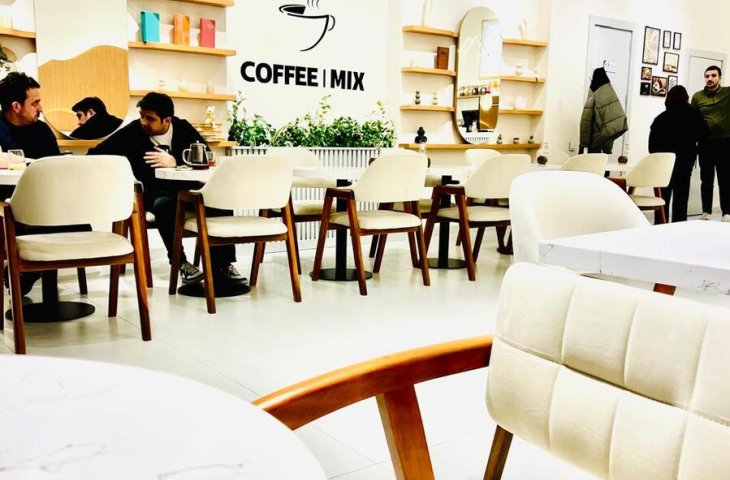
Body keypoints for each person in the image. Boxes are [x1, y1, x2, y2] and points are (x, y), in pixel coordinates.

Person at [88, 92, 243, 286]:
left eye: (150, 118)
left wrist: (175, 161)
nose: (143, 122)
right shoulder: (133, 132)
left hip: (187, 190)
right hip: (153, 192)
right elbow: (96, 153)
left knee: (219, 200)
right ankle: (181, 264)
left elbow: (207, 156)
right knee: (164, 205)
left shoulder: (183, 128)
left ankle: (223, 265)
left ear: (167, 120)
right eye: (141, 116)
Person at [649, 85, 708, 222]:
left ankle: (660, 224)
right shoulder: (694, 115)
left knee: (662, 198)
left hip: (663, 163)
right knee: (681, 198)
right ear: (686, 98)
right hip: (685, 162)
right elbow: (705, 135)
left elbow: (652, 146)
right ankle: (679, 225)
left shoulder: (661, 118)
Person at [691, 65, 730, 221]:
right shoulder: (697, 97)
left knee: (725, 179)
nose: (710, 78)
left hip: (725, 142)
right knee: (706, 179)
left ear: (720, 77)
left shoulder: (728, 93)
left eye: (713, 75)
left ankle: (727, 212)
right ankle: (706, 211)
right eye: (707, 76)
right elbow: (693, 120)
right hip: (705, 144)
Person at [579, 67, 628, 154]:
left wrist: (583, 145)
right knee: (603, 162)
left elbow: (585, 122)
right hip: (605, 142)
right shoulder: (610, 93)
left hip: (595, 143)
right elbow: (619, 122)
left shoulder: (593, 95)